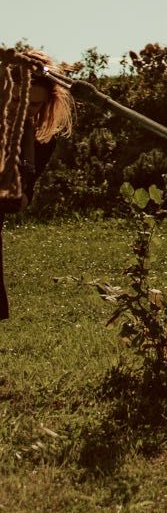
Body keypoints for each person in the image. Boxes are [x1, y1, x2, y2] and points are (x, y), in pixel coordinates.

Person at [0, 48, 74, 323]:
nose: (21, 109)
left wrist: (17, 197)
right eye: (16, 98)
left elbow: (25, 195)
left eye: (32, 105)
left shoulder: (39, 141)